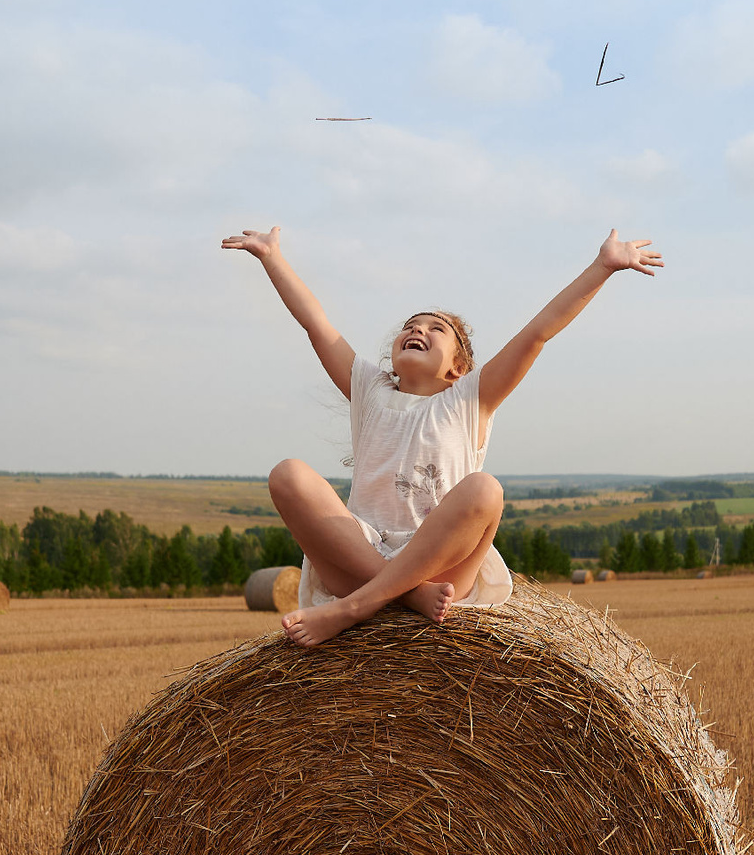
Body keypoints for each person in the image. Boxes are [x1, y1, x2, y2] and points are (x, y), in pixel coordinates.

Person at [219, 225, 664, 647]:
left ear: (458, 368)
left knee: (485, 490)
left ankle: (355, 608)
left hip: (442, 564)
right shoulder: (369, 391)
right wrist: (272, 258)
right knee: (288, 476)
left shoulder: (470, 399)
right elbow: (316, 324)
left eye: (436, 329)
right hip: (359, 553)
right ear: (392, 358)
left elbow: (538, 332)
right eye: (411, 326)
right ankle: (400, 595)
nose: (418, 330)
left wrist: (602, 267)